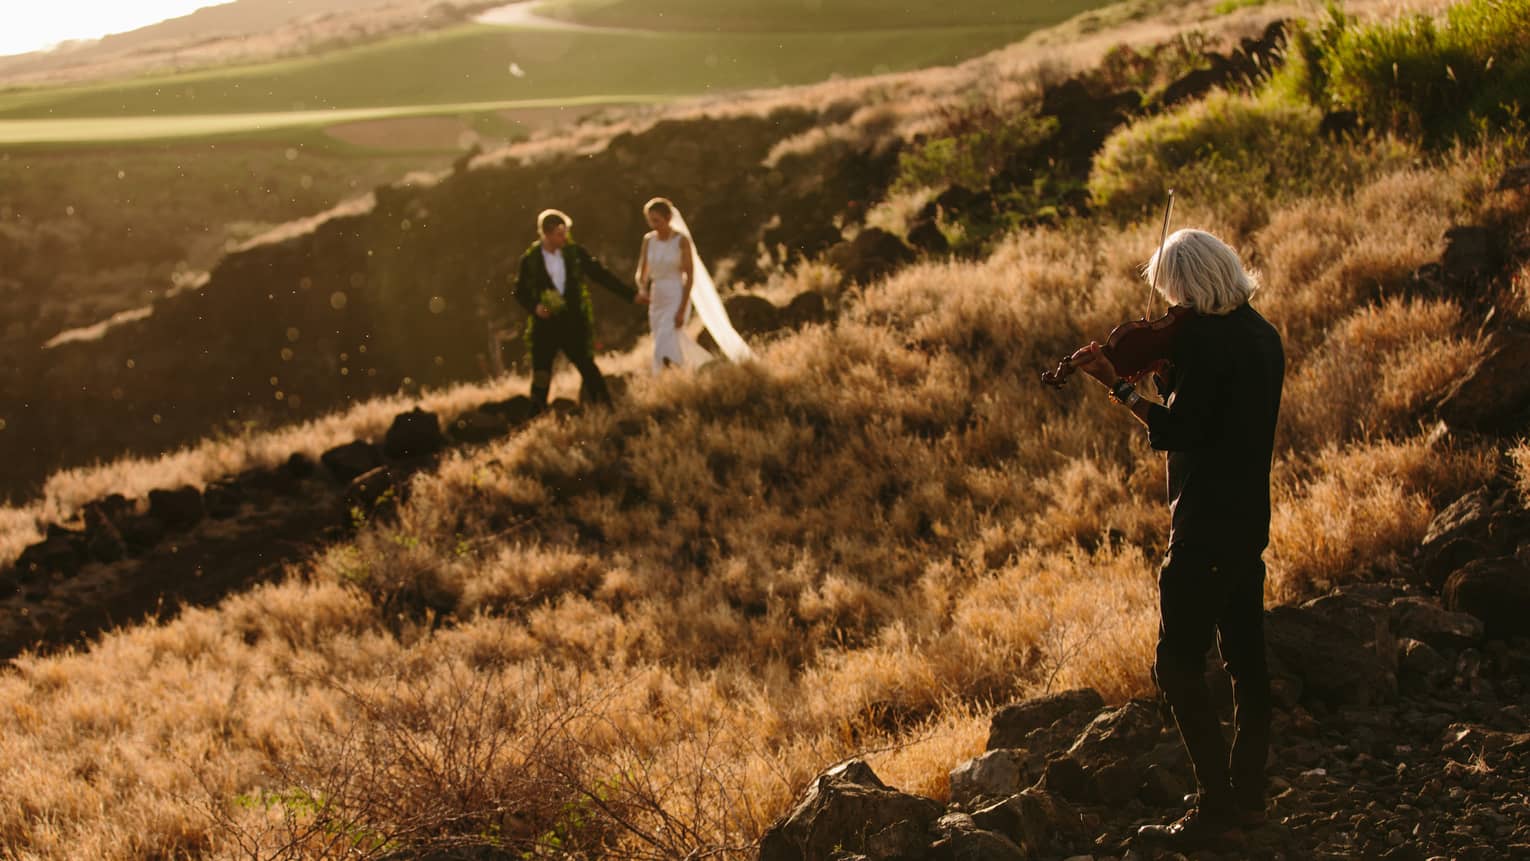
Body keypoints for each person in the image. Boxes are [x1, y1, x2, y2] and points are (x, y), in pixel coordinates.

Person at [1072, 228, 1285, 851]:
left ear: (1187, 285)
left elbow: (1178, 430)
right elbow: (1219, 416)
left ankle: (1217, 806)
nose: (1168, 310)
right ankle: (1248, 797)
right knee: (1247, 661)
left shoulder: (1208, 347)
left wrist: (1117, 386)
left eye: (1172, 295)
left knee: (1178, 665)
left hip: (1205, 528)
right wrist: (1169, 369)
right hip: (1249, 521)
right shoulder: (1259, 335)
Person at [508, 209, 642, 408]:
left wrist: (631, 295)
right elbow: (519, 292)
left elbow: (600, 275)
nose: (565, 237)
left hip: (573, 324)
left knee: (587, 367)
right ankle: (537, 417)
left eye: (565, 232)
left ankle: (606, 409)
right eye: (560, 233)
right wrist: (535, 307)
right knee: (541, 374)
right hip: (544, 328)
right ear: (546, 233)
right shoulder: (529, 260)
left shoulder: (575, 253)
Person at [633, 197, 751, 373]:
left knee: (667, 337)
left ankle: (669, 375)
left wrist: (681, 309)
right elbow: (641, 272)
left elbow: (689, 275)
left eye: (656, 220)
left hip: (676, 294)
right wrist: (642, 289)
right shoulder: (648, 240)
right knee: (664, 338)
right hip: (657, 296)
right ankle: (702, 368)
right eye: (650, 220)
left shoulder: (681, 241)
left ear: (668, 218)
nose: (653, 224)